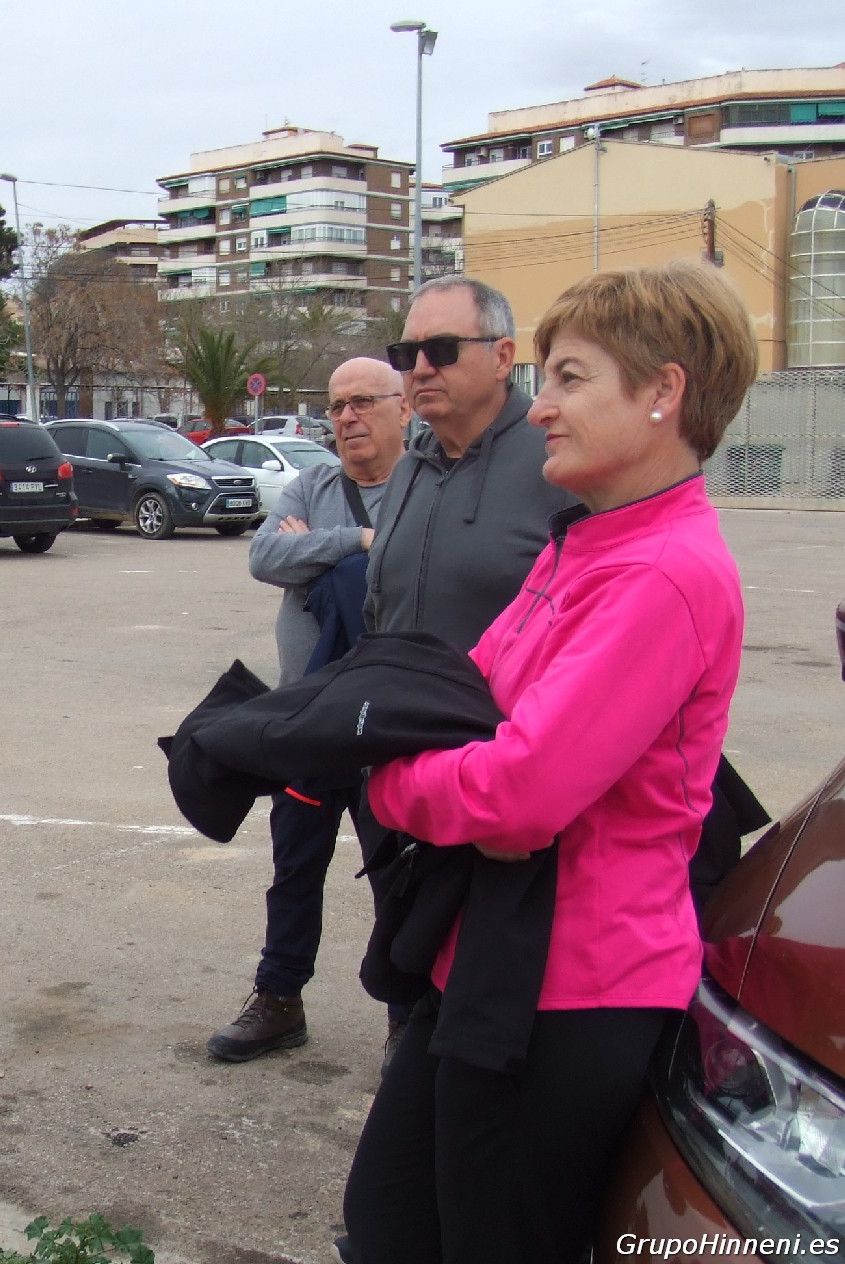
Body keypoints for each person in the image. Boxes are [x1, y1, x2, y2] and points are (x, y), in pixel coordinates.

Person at [341, 262, 759, 1264]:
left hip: (572, 986)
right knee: (388, 1221)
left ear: (662, 392)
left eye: (569, 378)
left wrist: (382, 779)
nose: (540, 410)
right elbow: (460, 696)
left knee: (489, 1238)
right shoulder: (585, 543)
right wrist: (408, 746)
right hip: (487, 952)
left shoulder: (662, 573)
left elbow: (518, 791)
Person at [357, 276, 577, 1064]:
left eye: (442, 350)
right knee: (403, 942)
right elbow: (381, 608)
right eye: (407, 352)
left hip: (498, 788)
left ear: (502, 357)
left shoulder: (556, 464)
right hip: (400, 768)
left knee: (484, 1000)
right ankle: (405, 1044)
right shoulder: (411, 467)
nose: (419, 368)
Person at [206, 358, 410, 1061]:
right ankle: (278, 1000)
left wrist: (315, 551)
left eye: (363, 402)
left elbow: (412, 570)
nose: (347, 417)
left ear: (404, 407)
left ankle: (405, 1020)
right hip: (308, 720)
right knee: (294, 866)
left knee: (397, 875)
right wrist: (354, 542)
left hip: (387, 725)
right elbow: (265, 557)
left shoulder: (423, 488)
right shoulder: (313, 484)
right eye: (336, 405)